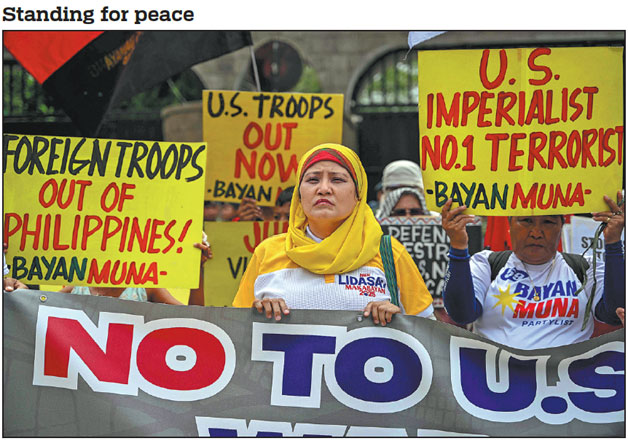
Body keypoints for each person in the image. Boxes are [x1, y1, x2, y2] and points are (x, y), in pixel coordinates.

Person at [232, 143, 434, 326]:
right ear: (299, 195)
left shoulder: (388, 252)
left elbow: (430, 335)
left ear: (358, 195)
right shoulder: (267, 251)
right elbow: (236, 332)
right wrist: (256, 316)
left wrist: (399, 322)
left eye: (337, 179)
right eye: (312, 180)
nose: (324, 189)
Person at [440, 192, 625, 350]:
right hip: (497, 387)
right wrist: (458, 246)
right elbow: (461, 314)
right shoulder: (485, 264)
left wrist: (613, 242)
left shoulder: (585, 267)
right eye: (526, 221)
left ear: (561, 227)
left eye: (548, 222)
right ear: (509, 224)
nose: (536, 232)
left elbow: (614, 313)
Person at [59, 235, 212, 306]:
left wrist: (197, 269)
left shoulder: (144, 288)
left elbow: (193, 318)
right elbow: (36, 309)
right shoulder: (77, 289)